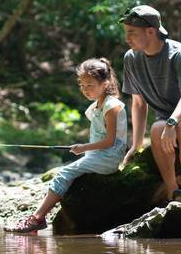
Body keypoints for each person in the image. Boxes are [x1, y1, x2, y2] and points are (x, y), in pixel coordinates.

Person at [8, 59, 128, 233]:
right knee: (67, 174)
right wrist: (85, 150)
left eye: (90, 85)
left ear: (105, 83)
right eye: (82, 85)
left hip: (109, 157)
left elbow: (109, 141)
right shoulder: (95, 107)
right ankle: (38, 217)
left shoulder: (112, 106)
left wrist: (83, 148)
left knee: (64, 173)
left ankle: (37, 220)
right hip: (98, 156)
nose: (85, 90)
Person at [119, 4, 181, 206]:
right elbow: (138, 103)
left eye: (132, 33)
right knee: (156, 128)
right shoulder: (131, 58)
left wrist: (172, 122)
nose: (127, 38)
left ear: (151, 31)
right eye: (126, 33)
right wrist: (137, 144)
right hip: (166, 124)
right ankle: (173, 193)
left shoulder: (177, 53)